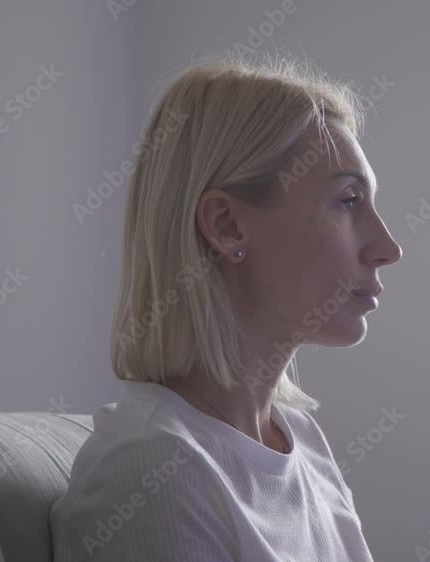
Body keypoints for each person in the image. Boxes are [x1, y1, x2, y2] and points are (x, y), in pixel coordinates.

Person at [50, 53, 402, 562]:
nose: (388, 247)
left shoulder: (303, 441)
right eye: (348, 201)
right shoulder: (152, 472)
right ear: (226, 225)